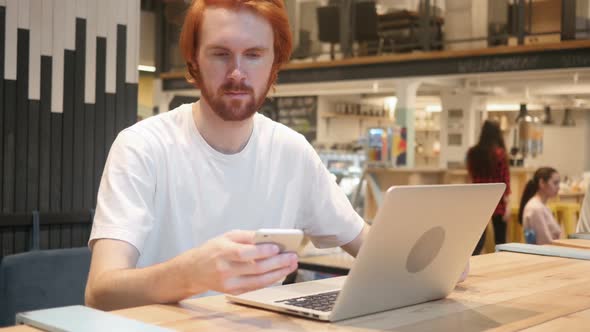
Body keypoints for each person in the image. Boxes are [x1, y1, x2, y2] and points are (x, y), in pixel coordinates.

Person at [85, 0, 467, 311]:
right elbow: (100, 292)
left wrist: (431, 264)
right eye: (220, 54)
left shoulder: (291, 151)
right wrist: (191, 274)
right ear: (194, 62)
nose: (237, 72)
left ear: (274, 65)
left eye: (253, 55)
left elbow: (367, 246)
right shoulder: (142, 147)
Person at [466, 120, 511, 254]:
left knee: (477, 239)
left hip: (478, 197)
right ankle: (501, 263)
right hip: (497, 198)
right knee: (500, 239)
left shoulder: (472, 153)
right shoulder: (500, 154)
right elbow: (505, 179)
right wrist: (507, 203)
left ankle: (473, 262)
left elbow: (471, 176)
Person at [519, 167, 562, 245]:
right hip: (546, 253)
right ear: (542, 183)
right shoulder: (535, 208)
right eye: (555, 183)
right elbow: (544, 242)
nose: (559, 187)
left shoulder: (542, 206)